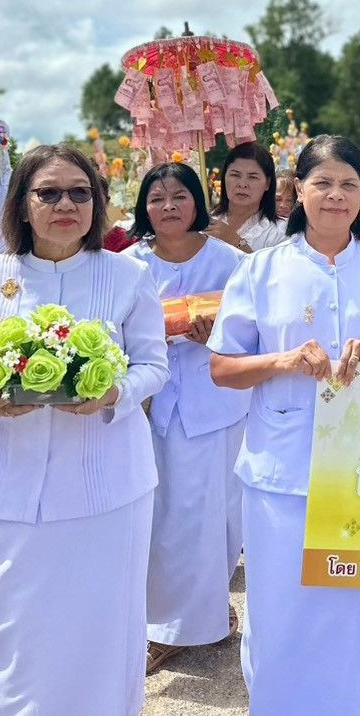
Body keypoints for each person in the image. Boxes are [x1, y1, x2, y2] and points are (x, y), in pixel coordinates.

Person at [0, 145, 169, 715]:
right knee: (15, 633)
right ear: (22, 203)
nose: (65, 204)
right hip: (10, 494)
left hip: (108, 492)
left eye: (79, 192)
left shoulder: (129, 276)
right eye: (48, 193)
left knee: (102, 632)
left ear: (97, 203)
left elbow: (154, 365)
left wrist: (115, 393)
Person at [208, 135, 360, 714]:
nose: (336, 196)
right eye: (323, 183)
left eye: (349, 184)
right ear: (297, 192)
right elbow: (222, 367)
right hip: (278, 472)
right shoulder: (261, 271)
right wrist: (282, 361)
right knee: (279, 609)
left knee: (354, 615)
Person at [126, 162, 248, 673]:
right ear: (143, 208)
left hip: (214, 404)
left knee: (211, 515)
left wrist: (216, 336)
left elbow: (256, 330)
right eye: (157, 198)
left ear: (197, 201)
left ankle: (204, 615)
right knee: (158, 516)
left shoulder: (232, 261)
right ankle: (161, 625)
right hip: (149, 405)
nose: (169, 206)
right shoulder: (127, 264)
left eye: (179, 196)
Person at [207, 142, 288, 253]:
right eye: (235, 175)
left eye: (252, 177)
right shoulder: (207, 223)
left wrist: (235, 241)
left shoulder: (280, 232)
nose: (242, 184)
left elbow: (273, 270)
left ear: (267, 183)